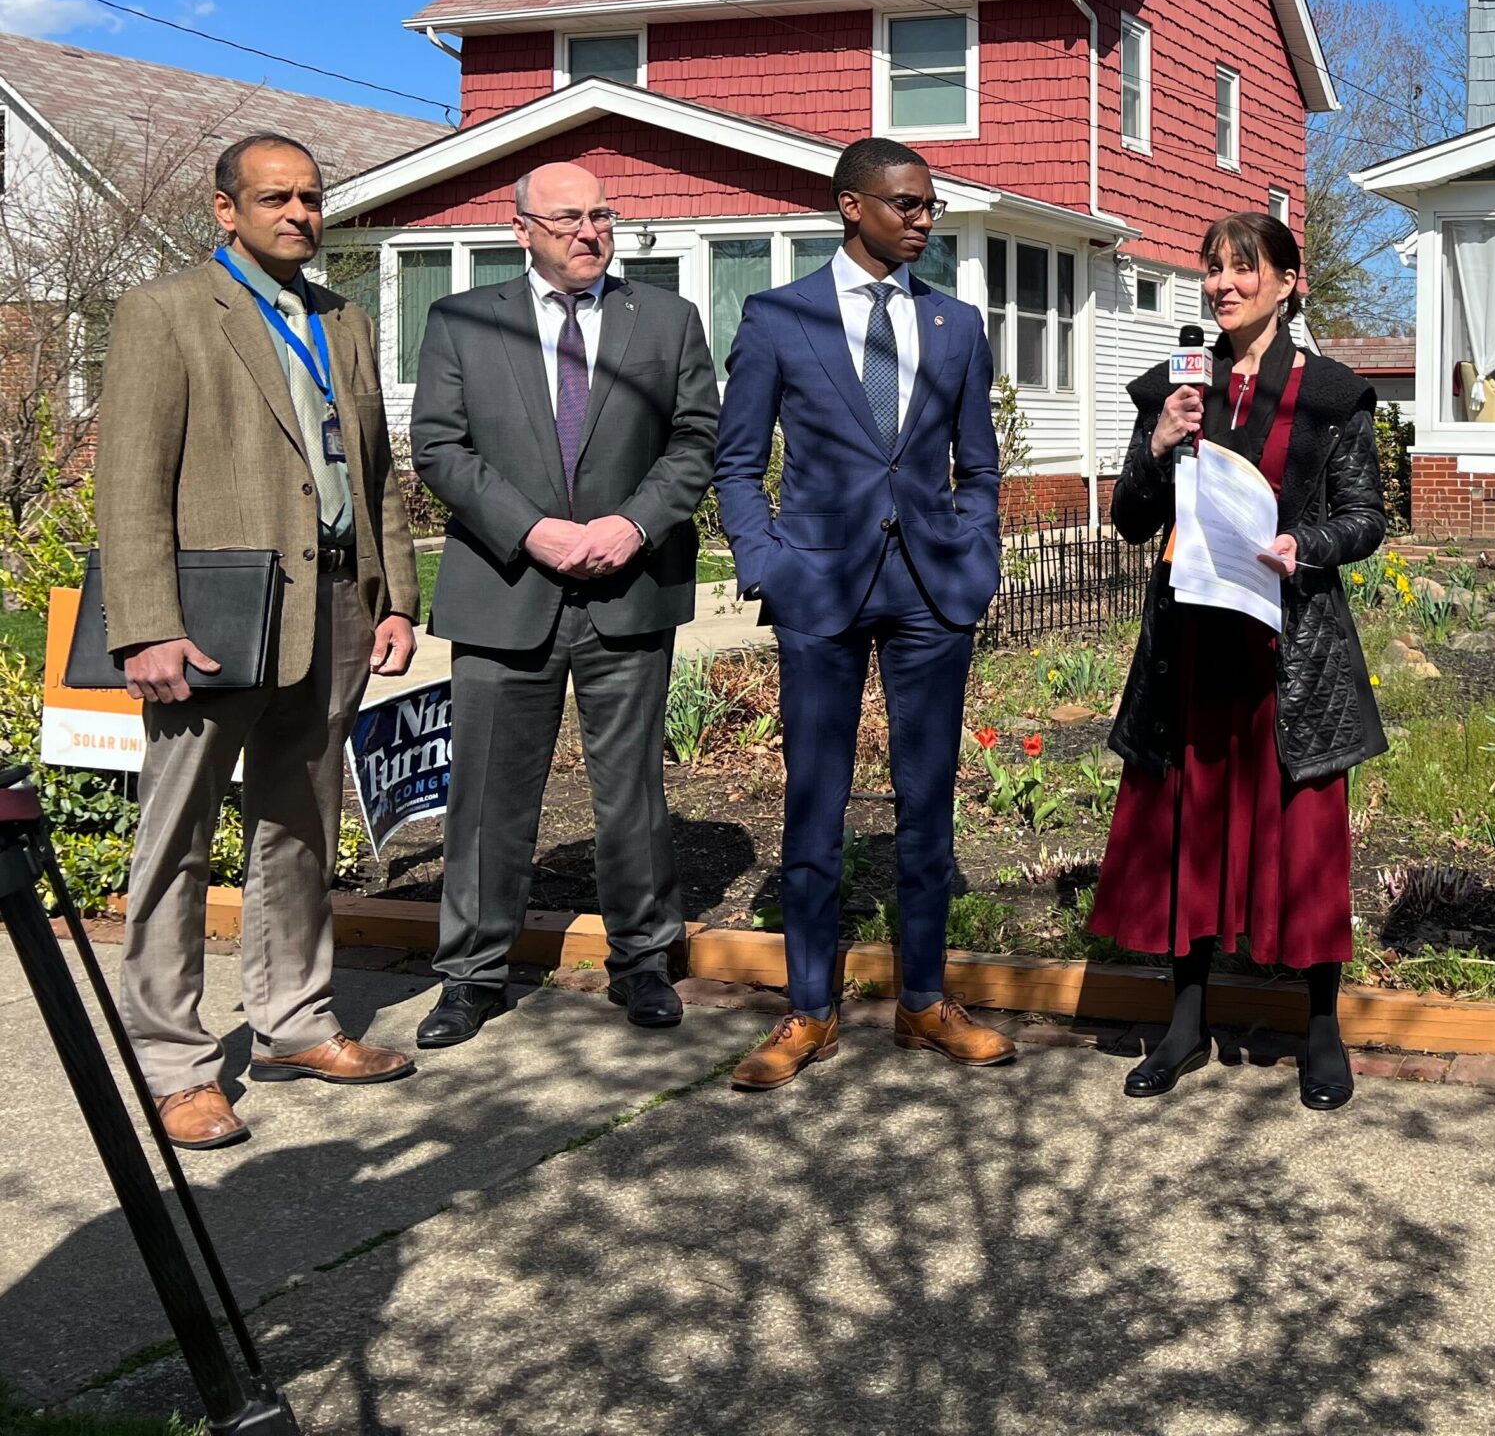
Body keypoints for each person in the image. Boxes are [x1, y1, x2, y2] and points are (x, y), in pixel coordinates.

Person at [94, 132, 421, 1150]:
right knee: (177, 840)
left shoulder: (344, 320)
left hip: (334, 608)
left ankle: (291, 1023)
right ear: (225, 210)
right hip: (215, 618)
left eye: (312, 198)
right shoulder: (167, 313)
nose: (299, 214)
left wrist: (395, 597)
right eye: (275, 198)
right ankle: (174, 1062)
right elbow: (131, 481)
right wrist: (146, 623)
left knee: (300, 831)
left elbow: (373, 478)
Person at [714, 136, 1015, 1087]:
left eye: (929, 205)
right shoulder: (777, 318)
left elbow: (982, 463)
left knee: (928, 802)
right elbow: (736, 461)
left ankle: (924, 1001)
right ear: (852, 206)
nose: (923, 218)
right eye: (905, 204)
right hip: (820, 587)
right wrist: (766, 561)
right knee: (816, 799)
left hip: (931, 590)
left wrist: (978, 550)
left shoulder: (957, 325)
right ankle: (809, 1010)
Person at [405, 162, 720, 1048]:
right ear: (521, 230)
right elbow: (437, 445)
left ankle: (645, 962)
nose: (590, 232)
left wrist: (635, 523)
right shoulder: (462, 321)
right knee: (488, 798)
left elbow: (698, 437)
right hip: (506, 588)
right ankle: (470, 976)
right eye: (568, 219)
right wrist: (532, 530)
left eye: (602, 216)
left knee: (635, 793)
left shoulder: (666, 319)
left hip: (629, 587)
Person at [1088, 212, 1387, 1111]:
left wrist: (1311, 543)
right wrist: (1156, 445)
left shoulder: (1332, 395)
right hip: (1191, 646)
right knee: (1191, 823)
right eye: (1212, 269)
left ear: (1289, 281)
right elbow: (1133, 520)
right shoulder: (1176, 388)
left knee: (1299, 833)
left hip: (1288, 645)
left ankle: (1321, 1026)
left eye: (1242, 269)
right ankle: (1185, 1021)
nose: (1222, 284)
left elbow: (1367, 515)